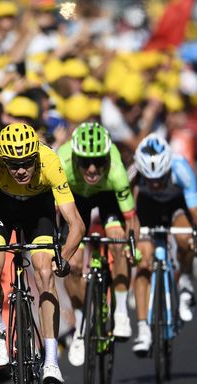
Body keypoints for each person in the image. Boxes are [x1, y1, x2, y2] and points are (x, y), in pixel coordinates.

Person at [0, 123, 84, 383]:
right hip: (1, 210)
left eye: (27, 163)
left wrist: (64, 257)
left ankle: (51, 360)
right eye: (13, 165)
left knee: (45, 272)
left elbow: (77, 224)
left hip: (38, 211)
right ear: (3, 160)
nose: (21, 170)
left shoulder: (50, 161)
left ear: (36, 157)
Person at [56, 122, 137, 366]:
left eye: (99, 162)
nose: (92, 169)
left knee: (118, 242)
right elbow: (52, 211)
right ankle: (80, 328)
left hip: (107, 197)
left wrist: (129, 247)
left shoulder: (116, 170)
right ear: (75, 158)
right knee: (71, 264)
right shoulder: (62, 163)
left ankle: (121, 312)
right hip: (75, 200)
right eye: (85, 162)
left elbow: (130, 219)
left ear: (107, 158)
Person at [130, 133, 197, 355]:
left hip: (175, 208)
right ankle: (143, 330)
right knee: (143, 262)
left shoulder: (181, 169)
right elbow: (128, 214)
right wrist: (130, 242)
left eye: (160, 179)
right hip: (146, 211)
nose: (155, 184)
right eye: (149, 180)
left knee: (186, 238)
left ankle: (185, 280)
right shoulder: (133, 174)